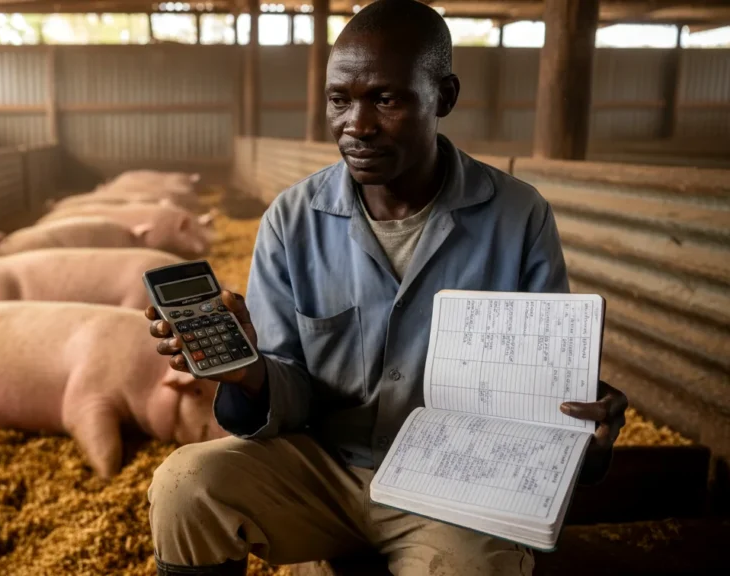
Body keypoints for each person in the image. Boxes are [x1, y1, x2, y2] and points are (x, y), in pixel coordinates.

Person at [144, 1, 628, 575]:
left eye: (386, 98)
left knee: (473, 566)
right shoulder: (291, 220)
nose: (357, 124)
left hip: (460, 487)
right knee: (184, 485)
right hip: (324, 469)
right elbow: (290, 390)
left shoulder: (517, 217)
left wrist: (583, 435)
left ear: (443, 97)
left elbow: (540, 392)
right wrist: (247, 372)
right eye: (339, 99)